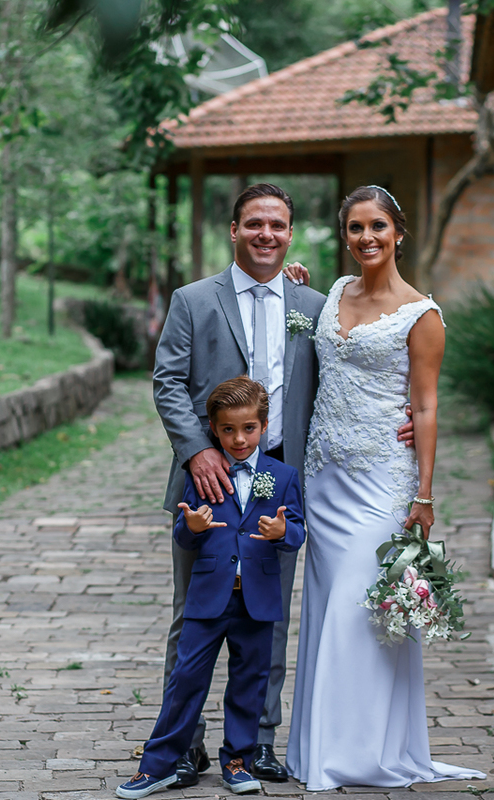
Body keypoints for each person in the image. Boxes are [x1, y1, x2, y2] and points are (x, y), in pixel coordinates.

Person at [152, 183, 414, 786]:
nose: (265, 234)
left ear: (291, 234)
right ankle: (183, 744)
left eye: (277, 225)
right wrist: (196, 453)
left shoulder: (314, 303)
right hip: (210, 482)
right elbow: (167, 382)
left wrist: (397, 414)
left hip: (277, 480)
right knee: (192, 615)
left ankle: (255, 744)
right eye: (254, 224)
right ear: (235, 230)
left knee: (267, 618)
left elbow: (349, 367)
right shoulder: (194, 300)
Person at [284, 186, 485, 790]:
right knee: (325, 612)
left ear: (400, 232)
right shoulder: (331, 296)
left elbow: (425, 405)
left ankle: (361, 754)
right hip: (324, 477)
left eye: (377, 227)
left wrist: (423, 494)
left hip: (381, 482)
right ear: (343, 236)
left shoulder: (421, 315)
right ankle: (320, 748)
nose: (365, 238)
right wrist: (294, 283)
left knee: (362, 610)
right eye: (353, 228)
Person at [117, 377, 306, 799]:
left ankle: (238, 760)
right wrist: (192, 526)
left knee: (249, 682)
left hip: (256, 599)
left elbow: (296, 531)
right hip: (208, 598)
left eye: (249, 429)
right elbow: (186, 532)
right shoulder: (200, 472)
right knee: (185, 680)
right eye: (227, 430)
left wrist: (281, 532)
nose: (239, 439)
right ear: (213, 428)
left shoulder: (283, 475)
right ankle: (159, 764)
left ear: (264, 424)